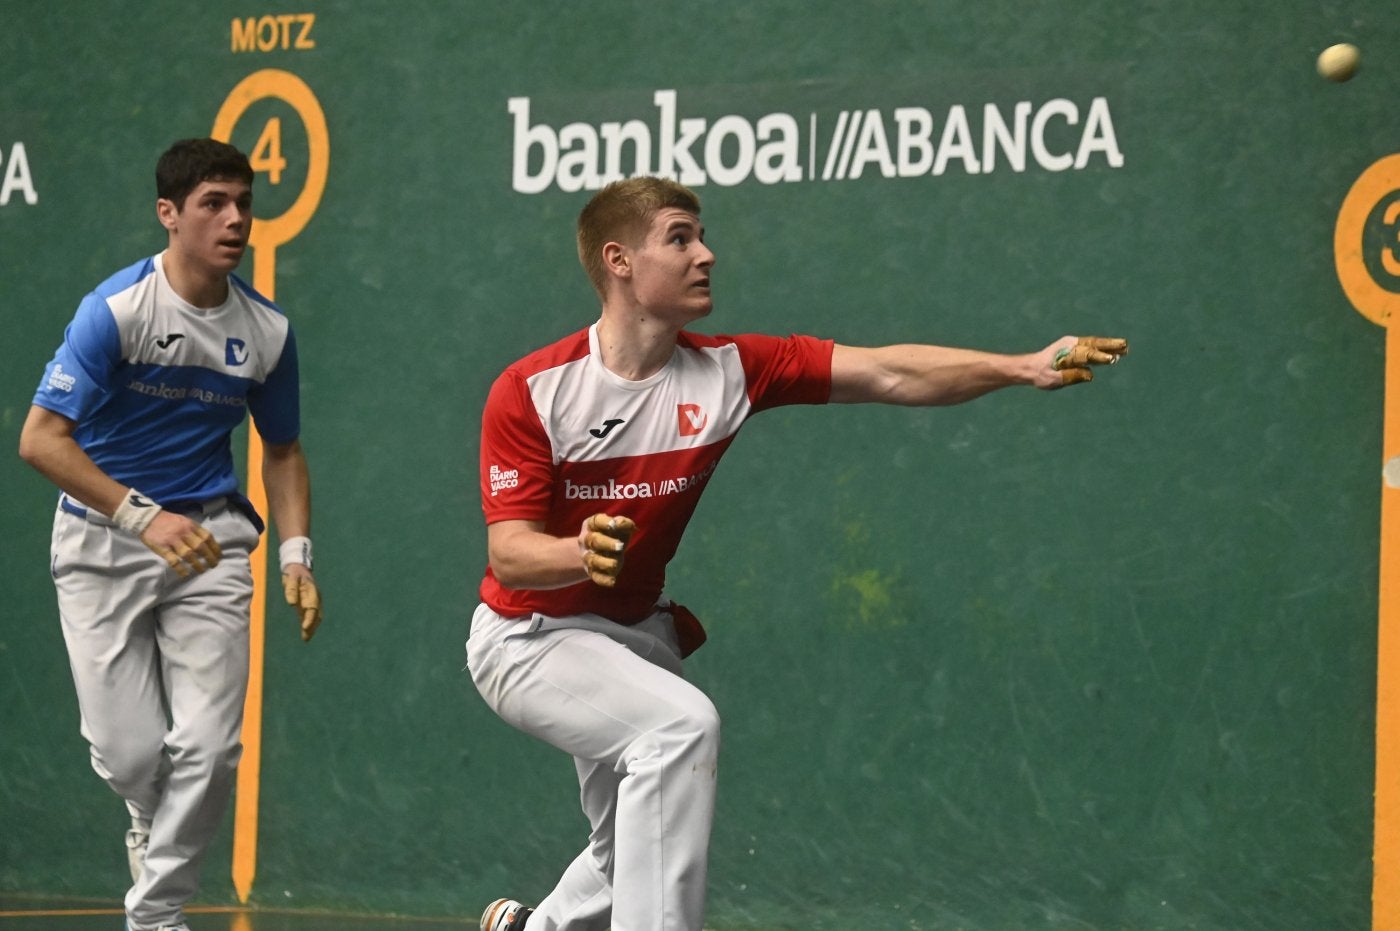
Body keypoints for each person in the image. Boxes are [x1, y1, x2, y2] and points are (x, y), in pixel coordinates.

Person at [469, 176, 1126, 931]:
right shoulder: (533, 390)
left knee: (634, 840)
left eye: (702, 235)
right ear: (618, 261)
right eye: (680, 237)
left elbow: (887, 371)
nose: (706, 253)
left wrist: (1021, 365)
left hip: (634, 635)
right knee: (677, 731)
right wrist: (580, 552)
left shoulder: (730, 371)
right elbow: (511, 555)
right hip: (529, 640)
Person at [17, 137, 323, 931]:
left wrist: (296, 552)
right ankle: (149, 825)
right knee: (130, 756)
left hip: (210, 540)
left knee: (213, 746)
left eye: (243, 204)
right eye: (213, 204)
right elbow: (40, 439)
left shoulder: (266, 332)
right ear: (169, 214)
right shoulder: (116, 311)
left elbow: (283, 452)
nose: (233, 220)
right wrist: (138, 514)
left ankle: (156, 913)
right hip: (101, 540)